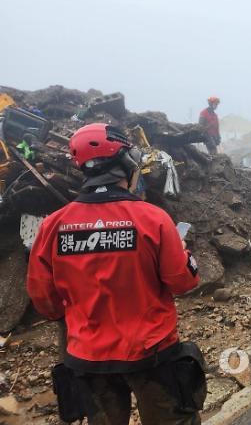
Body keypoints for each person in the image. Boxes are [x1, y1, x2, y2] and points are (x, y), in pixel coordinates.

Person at [27, 123, 205, 425]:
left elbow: (44, 299)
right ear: (127, 163)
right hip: (151, 353)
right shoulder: (153, 219)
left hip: (88, 357)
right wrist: (184, 253)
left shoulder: (53, 226)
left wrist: (79, 319)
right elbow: (183, 281)